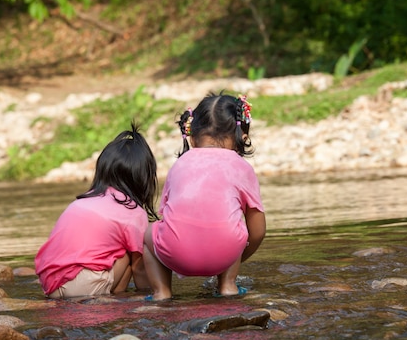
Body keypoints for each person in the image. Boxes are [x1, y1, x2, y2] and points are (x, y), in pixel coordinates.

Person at [143, 92, 266, 301]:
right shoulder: (242, 168)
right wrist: (232, 256)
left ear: (191, 136)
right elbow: (258, 231)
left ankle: (161, 293)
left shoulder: (179, 164)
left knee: (148, 234)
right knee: (236, 227)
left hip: (175, 254)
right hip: (225, 253)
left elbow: (166, 216)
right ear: (242, 136)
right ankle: (227, 286)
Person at [35, 122, 158, 298]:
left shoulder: (83, 200)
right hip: (82, 288)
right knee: (128, 255)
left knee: (114, 250)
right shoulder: (132, 210)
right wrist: (151, 295)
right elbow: (140, 269)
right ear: (144, 178)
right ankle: (115, 299)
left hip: (50, 285)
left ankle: (111, 295)